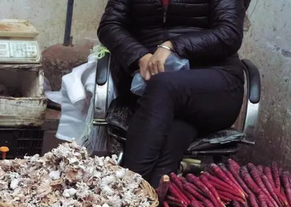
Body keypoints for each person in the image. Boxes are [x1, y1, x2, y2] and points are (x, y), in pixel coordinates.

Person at [98, 0, 246, 186]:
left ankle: (127, 189)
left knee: (163, 86)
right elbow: (109, 26)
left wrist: (172, 46)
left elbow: (230, 33)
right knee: (171, 140)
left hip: (215, 86)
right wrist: (140, 56)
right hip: (158, 96)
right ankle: (150, 205)